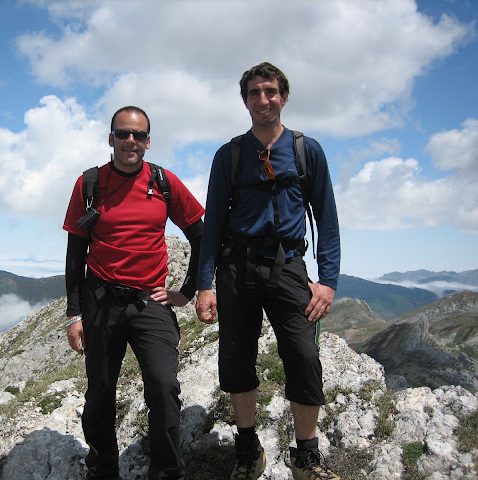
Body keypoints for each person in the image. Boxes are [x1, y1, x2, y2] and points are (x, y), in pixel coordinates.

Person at [195, 62, 341, 480]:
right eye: (255, 92)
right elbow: (214, 225)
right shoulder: (229, 155)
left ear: (284, 96)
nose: (264, 99)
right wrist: (205, 284)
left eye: (271, 91)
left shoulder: (305, 150)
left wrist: (327, 281)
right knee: (236, 360)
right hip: (236, 267)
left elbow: (327, 219)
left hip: (288, 266)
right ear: (245, 100)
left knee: (303, 355)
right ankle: (247, 452)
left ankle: (306, 460)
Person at [64, 106, 205, 480]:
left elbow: (202, 238)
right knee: (100, 393)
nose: (131, 141)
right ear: (111, 139)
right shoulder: (89, 184)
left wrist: (187, 291)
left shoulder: (163, 182)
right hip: (100, 302)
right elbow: (75, 254)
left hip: (149, 301)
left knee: (162, 386)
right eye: (123, 134)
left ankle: (167, 471)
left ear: (148, 141)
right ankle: (103, 470)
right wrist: (74, 314)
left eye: (138, 135)